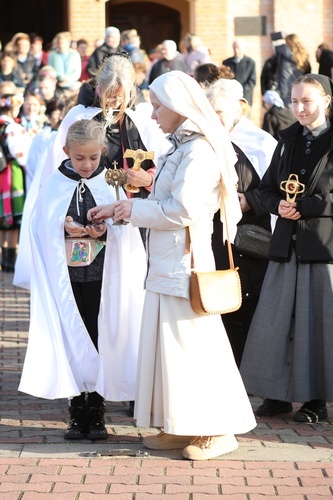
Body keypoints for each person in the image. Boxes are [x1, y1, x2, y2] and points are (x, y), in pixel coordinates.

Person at [88, 70, 257, 461]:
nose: (152, 116)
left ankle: (218, 428)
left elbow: (184, 210)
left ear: (179, 107)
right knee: (169, 349)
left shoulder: (198, 151)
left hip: (187, 264)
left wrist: (132, 208)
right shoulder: (178, 147)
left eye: (158, 107)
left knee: (196, 347)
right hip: (166, 263)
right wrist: (121, 209)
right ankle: (180, 425)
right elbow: (160, 200)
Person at [240, 74, 333, 424]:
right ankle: (278, 395)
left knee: (322, 326)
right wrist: (277, 205)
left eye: (307, 101)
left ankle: (316, 400)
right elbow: (265, 189)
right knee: (277, 320)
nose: (299, 108)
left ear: (327, 101)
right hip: (287, 244)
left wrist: (310, 206)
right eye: (294, 100)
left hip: (327, 247)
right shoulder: (286, 142)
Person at [19, 118, 146, 440]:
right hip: (69, 278)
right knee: (73, 337)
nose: (87, 164)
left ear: (103, 151)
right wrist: (62, 227)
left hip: (103, 277)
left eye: (93, 157)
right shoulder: (54, 183)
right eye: (79, 158)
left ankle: (98, 408)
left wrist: (106, 229)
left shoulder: (111, 182)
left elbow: (127, 226)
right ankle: (77, 409)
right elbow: (39, 225)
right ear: (66, 152)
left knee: (100, 334)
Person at [13, 53, 169, 290]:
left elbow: (166, 161)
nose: (114, 103)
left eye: (120, 97)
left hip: (134, 212)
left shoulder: (144, 116)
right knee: (93, 286)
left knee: (130, 285)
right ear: (99, 87)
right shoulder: (79, 116)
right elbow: (58, 170)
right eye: (109, 96)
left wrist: (148, 178)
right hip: (89, 212)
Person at [205, 78, 274, 366]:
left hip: (252, 238)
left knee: (255, 307)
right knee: (222, 304)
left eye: (219, 111)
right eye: (209, 111)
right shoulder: (204, 141)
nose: (213, 117)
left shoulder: (261, 142)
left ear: (239, 109)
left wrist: (251, 200)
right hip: (217, 239)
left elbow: (276, 187)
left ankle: (257, 372)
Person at [0, 87, 31, 271]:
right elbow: (20, 154)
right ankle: (11, 259)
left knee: (3, 218)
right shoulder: (13, 127)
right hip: (12, 172)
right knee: (12, 217)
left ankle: (4, 257)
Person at [25, 98, 61, 189]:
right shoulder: (43, 137)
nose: (61, 117)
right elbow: (32, 163)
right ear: (49, 117)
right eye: (57, 114)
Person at [273, 33, 310, 104]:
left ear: (288, 42)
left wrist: (281, 35)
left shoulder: (283, 51)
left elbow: (273, 42)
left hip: (284, 88)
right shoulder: (303, 55)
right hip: (299, 88)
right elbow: (308, 72)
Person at [222, 38, 257, 106]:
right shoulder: (226, 63)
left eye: (238, 48)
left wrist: (240, 90)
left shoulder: (250, 63)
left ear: (244, 48)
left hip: (244, 98)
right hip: (230, 98)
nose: (236, 51)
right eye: (234, 48)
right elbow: (224, 79)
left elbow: (252, 81)